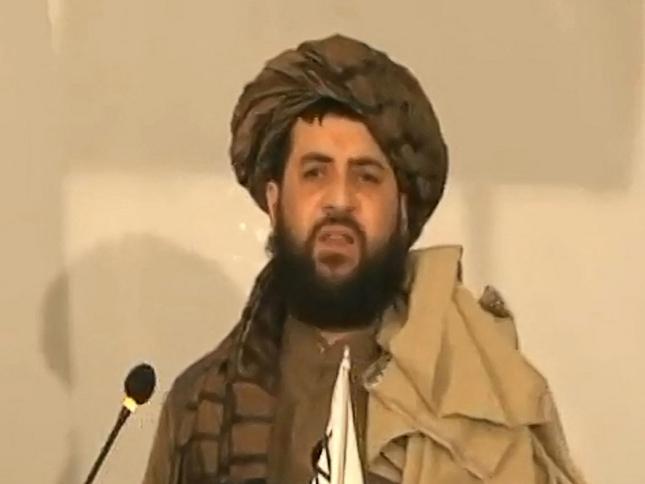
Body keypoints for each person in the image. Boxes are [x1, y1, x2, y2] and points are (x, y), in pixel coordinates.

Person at [142, 34, 586, 484]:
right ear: (274, 202)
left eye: (366, 176)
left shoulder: (485, 400)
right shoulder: (199, 409)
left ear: (403, 210)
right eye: (315, 173)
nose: (339, 199)